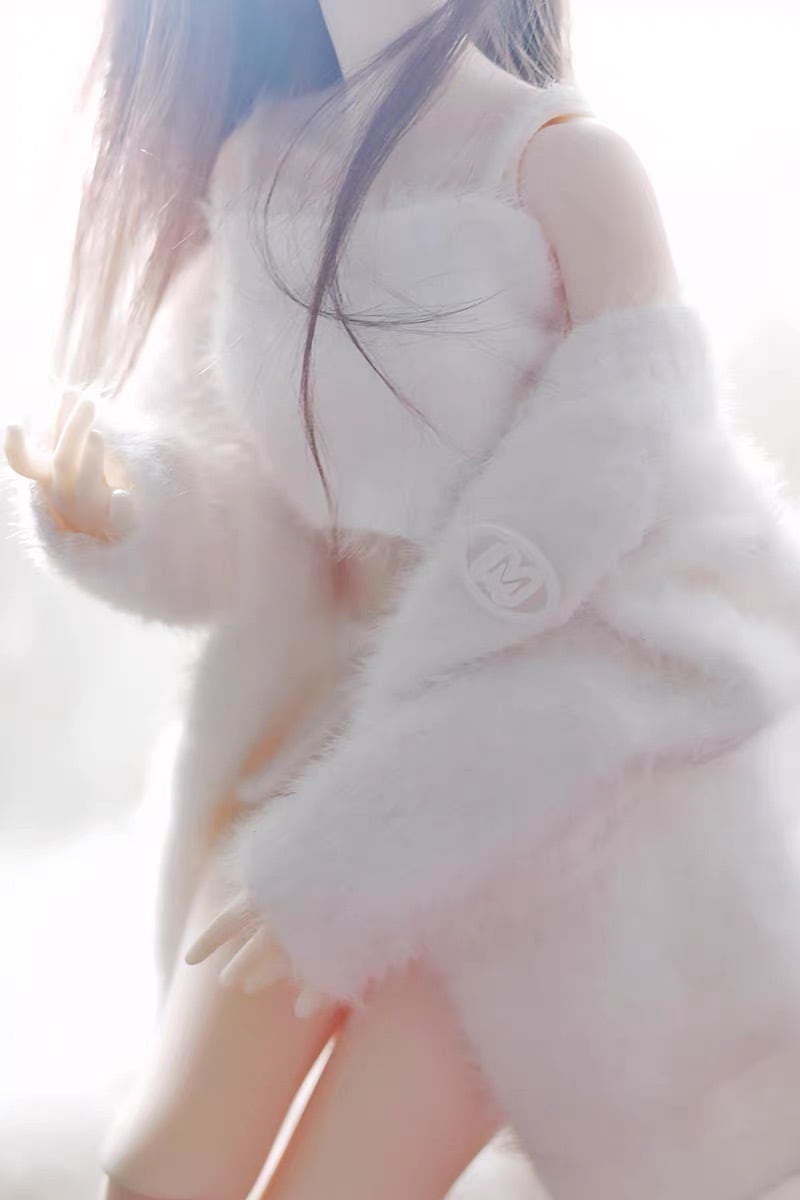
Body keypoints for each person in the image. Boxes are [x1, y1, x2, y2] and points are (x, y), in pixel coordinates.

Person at [7, 3, 800, 1200]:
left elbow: (654, 550)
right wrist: (123, 502)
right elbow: (247, 517)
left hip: (515, 819)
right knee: (158, 1169)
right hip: (310, 765)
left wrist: (367, 838)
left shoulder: (562, 167)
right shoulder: (260, 165)